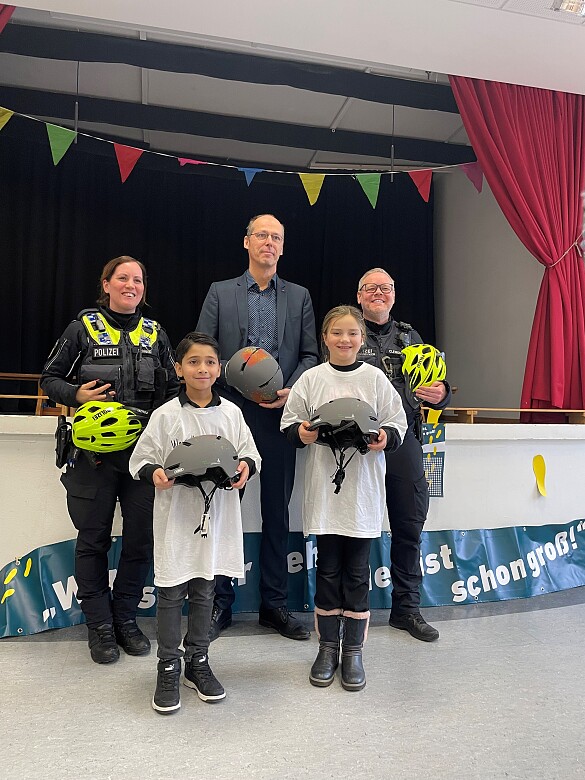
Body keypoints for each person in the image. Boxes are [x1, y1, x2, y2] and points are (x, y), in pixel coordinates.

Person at [41, 256, 180, 664]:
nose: (131, 285)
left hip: (142, 457)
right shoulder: (80, 328)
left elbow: (173, 388)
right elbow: (48, 378)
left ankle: (125, 620)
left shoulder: (156, 334)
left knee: (140, 540)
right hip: (92, 458)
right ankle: (99, 627)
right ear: (106, 283)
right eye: (123, 277)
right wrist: (76, 395)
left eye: (138, 279)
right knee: (93, 539)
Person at [196, 214, 319, 641]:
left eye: (277, 237)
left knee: (277, 514)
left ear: (282, 248)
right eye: (262, 235)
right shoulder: (220, 292)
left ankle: (275, 605)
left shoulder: (299, 296)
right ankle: (219, 603)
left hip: (281, 416)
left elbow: (308, 353)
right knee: (224, 505)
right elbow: (203, 349)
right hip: (230, 414)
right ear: (246, 241)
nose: (269, 242)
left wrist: (290, 387)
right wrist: (234, 387)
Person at [129, 332, 260, 714]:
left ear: (219, 369)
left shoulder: (232, 413)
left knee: (205, 590)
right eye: (193, 361)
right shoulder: (166, 415)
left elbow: (250, 455)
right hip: (176, 517)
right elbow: (141, 459)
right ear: (179, 368)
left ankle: (197, 661)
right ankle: (168, 664)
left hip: (215, 517)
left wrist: (244, 469)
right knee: (171, 592)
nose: (202, 368)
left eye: (209, 362)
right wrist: (154, 472)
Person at [281, 305, 406, 690]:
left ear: (361, 339)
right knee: (329, 570)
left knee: (356, 573)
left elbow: (396, 423)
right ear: (325, 337)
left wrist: (385, 438)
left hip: (362, 494)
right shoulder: (311, 379)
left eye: (352, 333)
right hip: (324, 492)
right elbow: (290, 424)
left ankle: (353, 651)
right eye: (337, 333)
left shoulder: (376, 380)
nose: (345, 340)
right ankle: (327, 648)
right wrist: (301, 434)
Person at [356, 267, 451, 642]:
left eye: (386, 287)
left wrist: (443, 394)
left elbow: (437, 383)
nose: (379, 293)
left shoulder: (411, 336)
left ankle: (406, 609)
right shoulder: (348, 330)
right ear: (359, 295)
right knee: (355, 530)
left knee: (409, 528)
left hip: (405, 441)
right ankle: (351, 611)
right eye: (371, 288)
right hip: (358, 442)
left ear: (394, 294)